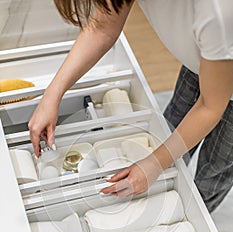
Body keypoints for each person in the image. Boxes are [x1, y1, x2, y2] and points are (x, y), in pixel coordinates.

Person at [28, 0, 233, 213]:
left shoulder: (218, 12)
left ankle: (198, 210)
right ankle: (169, 190)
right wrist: (52, 95)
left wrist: (154, 164)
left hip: (221, 48)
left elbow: (210, 108)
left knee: (216, 165)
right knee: (173, 124)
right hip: (205, 56)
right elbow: (103, 27)